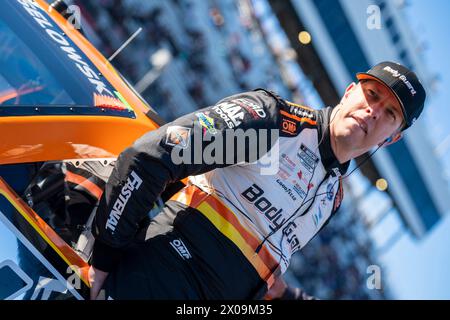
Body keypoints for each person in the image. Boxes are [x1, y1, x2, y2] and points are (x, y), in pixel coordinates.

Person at [88, 61, 426, 299]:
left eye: (391, 113)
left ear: (393, 137)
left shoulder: (333, 197)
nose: (374, 111)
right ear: (349, 91)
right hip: (154, 279)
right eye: (372, 94)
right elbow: (152, 156)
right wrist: (103, 259)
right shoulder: (274, 124)